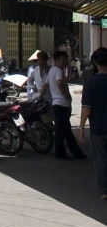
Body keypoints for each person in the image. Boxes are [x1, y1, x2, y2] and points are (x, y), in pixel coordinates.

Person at [40, 50, 85, 161]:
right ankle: (61, 152)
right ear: (56, 61)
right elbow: (59, 82)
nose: (65, 62)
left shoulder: (51, 71)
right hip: (62, 104)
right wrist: (65, 95)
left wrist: (40, 95)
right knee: (61, 130)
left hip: (57, 104)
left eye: (66, 60)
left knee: (65, 130)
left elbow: (46, 85)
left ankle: (76, 152)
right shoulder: (58, 71)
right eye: (63, 60)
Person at [79, 47, 107, 200]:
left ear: (95, 62)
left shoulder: (91, 82)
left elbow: (86, 107)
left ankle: (104, 190)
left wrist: (81, 127)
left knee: (101, 159)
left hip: (98, 127)